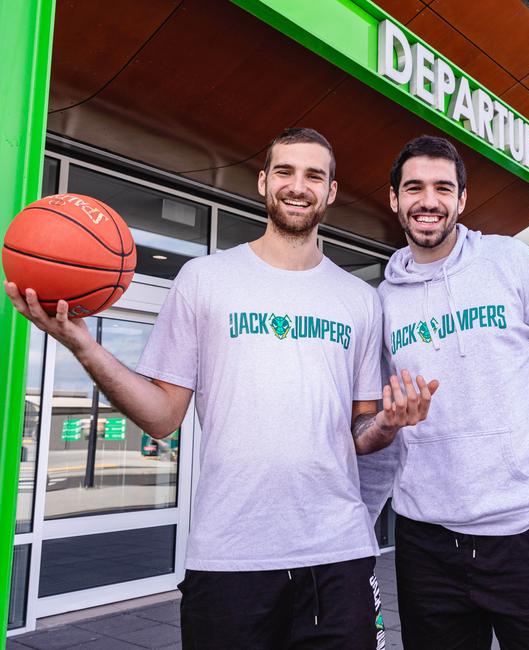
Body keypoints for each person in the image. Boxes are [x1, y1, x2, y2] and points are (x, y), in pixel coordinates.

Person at [5, 127, 438, 650]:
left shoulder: (359, 300)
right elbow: (163, 416)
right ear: (262, 182)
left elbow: (360, 435)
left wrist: (387, 423)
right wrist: (85, 347)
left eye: (313, 176)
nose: (297, 186)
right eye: (284, 171)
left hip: (337, 555)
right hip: (229, 555)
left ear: (330, 191)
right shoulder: (204, 279)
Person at [359, 135, 529, 650]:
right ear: (394, 199)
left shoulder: (511, 263)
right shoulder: (382, 303)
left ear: (462, 200)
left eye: (443, 187)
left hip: (528, 534)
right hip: (427, 541)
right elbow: (382, 428)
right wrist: (357, 524)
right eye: (413, 187)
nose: (428, 200)